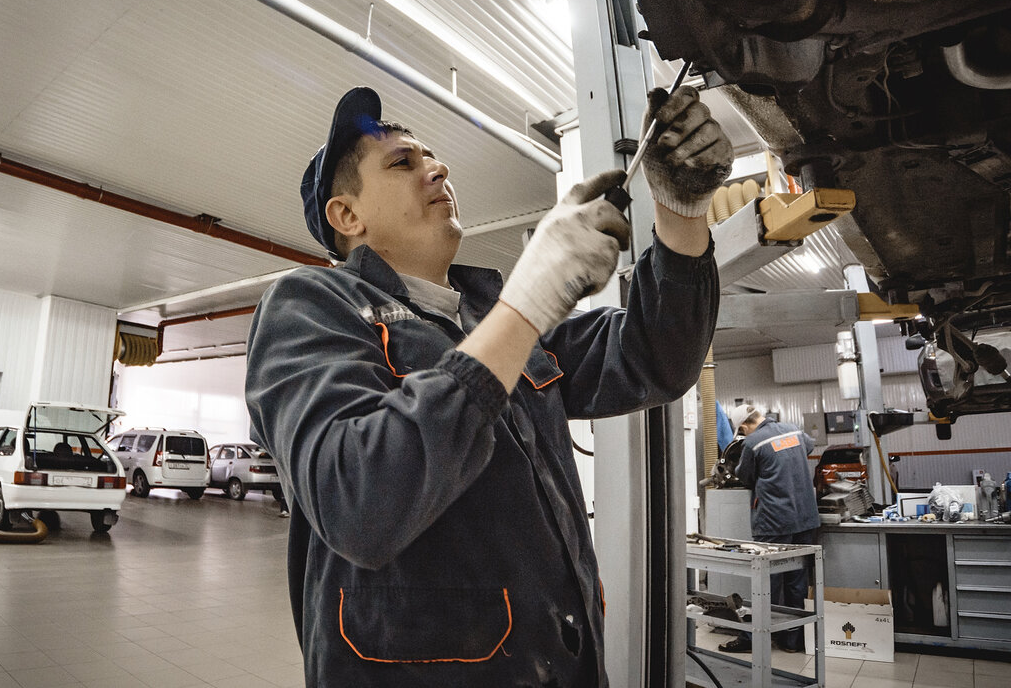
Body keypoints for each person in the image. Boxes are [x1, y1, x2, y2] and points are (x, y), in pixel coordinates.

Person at [245, 84, 732, 687]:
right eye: (402, 162)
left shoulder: (489, 316)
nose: (437, 168)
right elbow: (357, 501)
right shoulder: (311, 306)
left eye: (431, 157)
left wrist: (681, 213)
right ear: (347, 215)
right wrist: (526, 304)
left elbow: (656, 358)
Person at [723, 403, 819, 654]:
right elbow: (809, 447)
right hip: (805, 518)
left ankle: (755, 639)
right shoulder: (794, 430)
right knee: (797, 582)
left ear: (744, 426)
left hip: (774, 521)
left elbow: (745, 476)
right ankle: (792, 640)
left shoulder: (753, 442)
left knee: (766, 583)